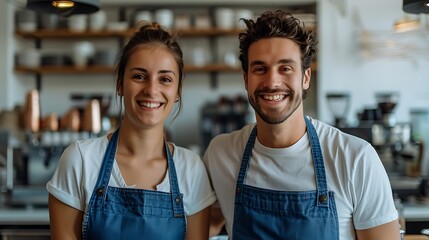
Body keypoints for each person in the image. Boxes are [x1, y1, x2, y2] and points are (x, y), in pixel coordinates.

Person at [203, 10, 400, 240]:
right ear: (246, 79)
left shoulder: (355, 158)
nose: (272, 82)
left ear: (305, 78)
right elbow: (207, 222)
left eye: (285, 68)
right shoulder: (221, 154)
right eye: (260, 69)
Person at [47, 22, 216, 239]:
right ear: (120, 84)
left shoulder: (191, 169)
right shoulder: (80, 160)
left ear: (177, 92)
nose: (151, 90)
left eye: (164, 79)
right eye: (139, 76)